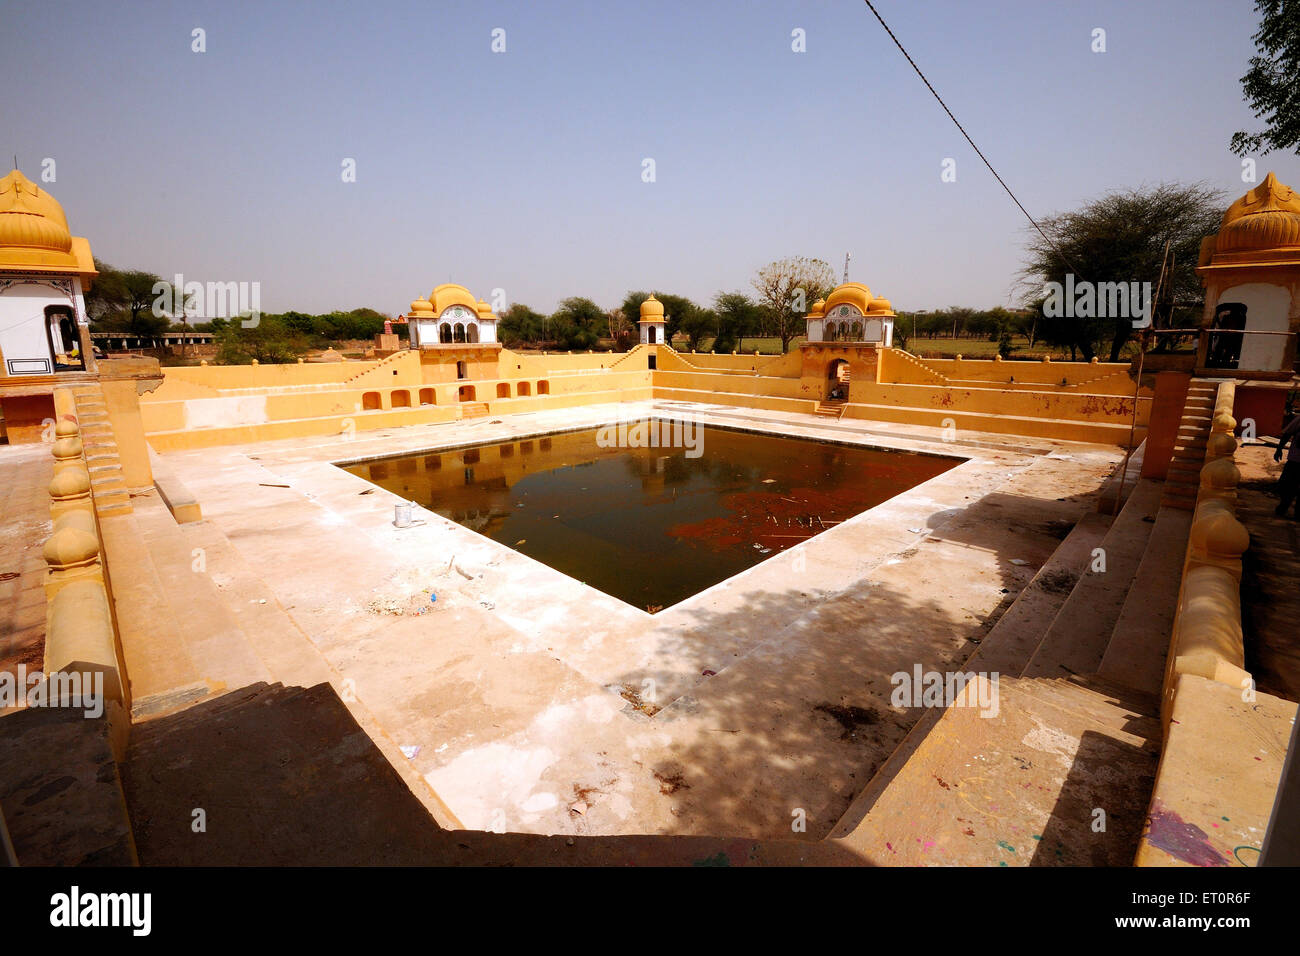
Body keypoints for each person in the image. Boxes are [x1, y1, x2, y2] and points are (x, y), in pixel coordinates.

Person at [1274, 415, 1300, 518]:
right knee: (1286, 485)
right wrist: (1279, 449)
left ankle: (1297, 513)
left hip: (1295, 459)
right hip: (1295, 460)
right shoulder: (1299, 419)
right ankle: (1283, 506)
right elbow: (1287, 434)